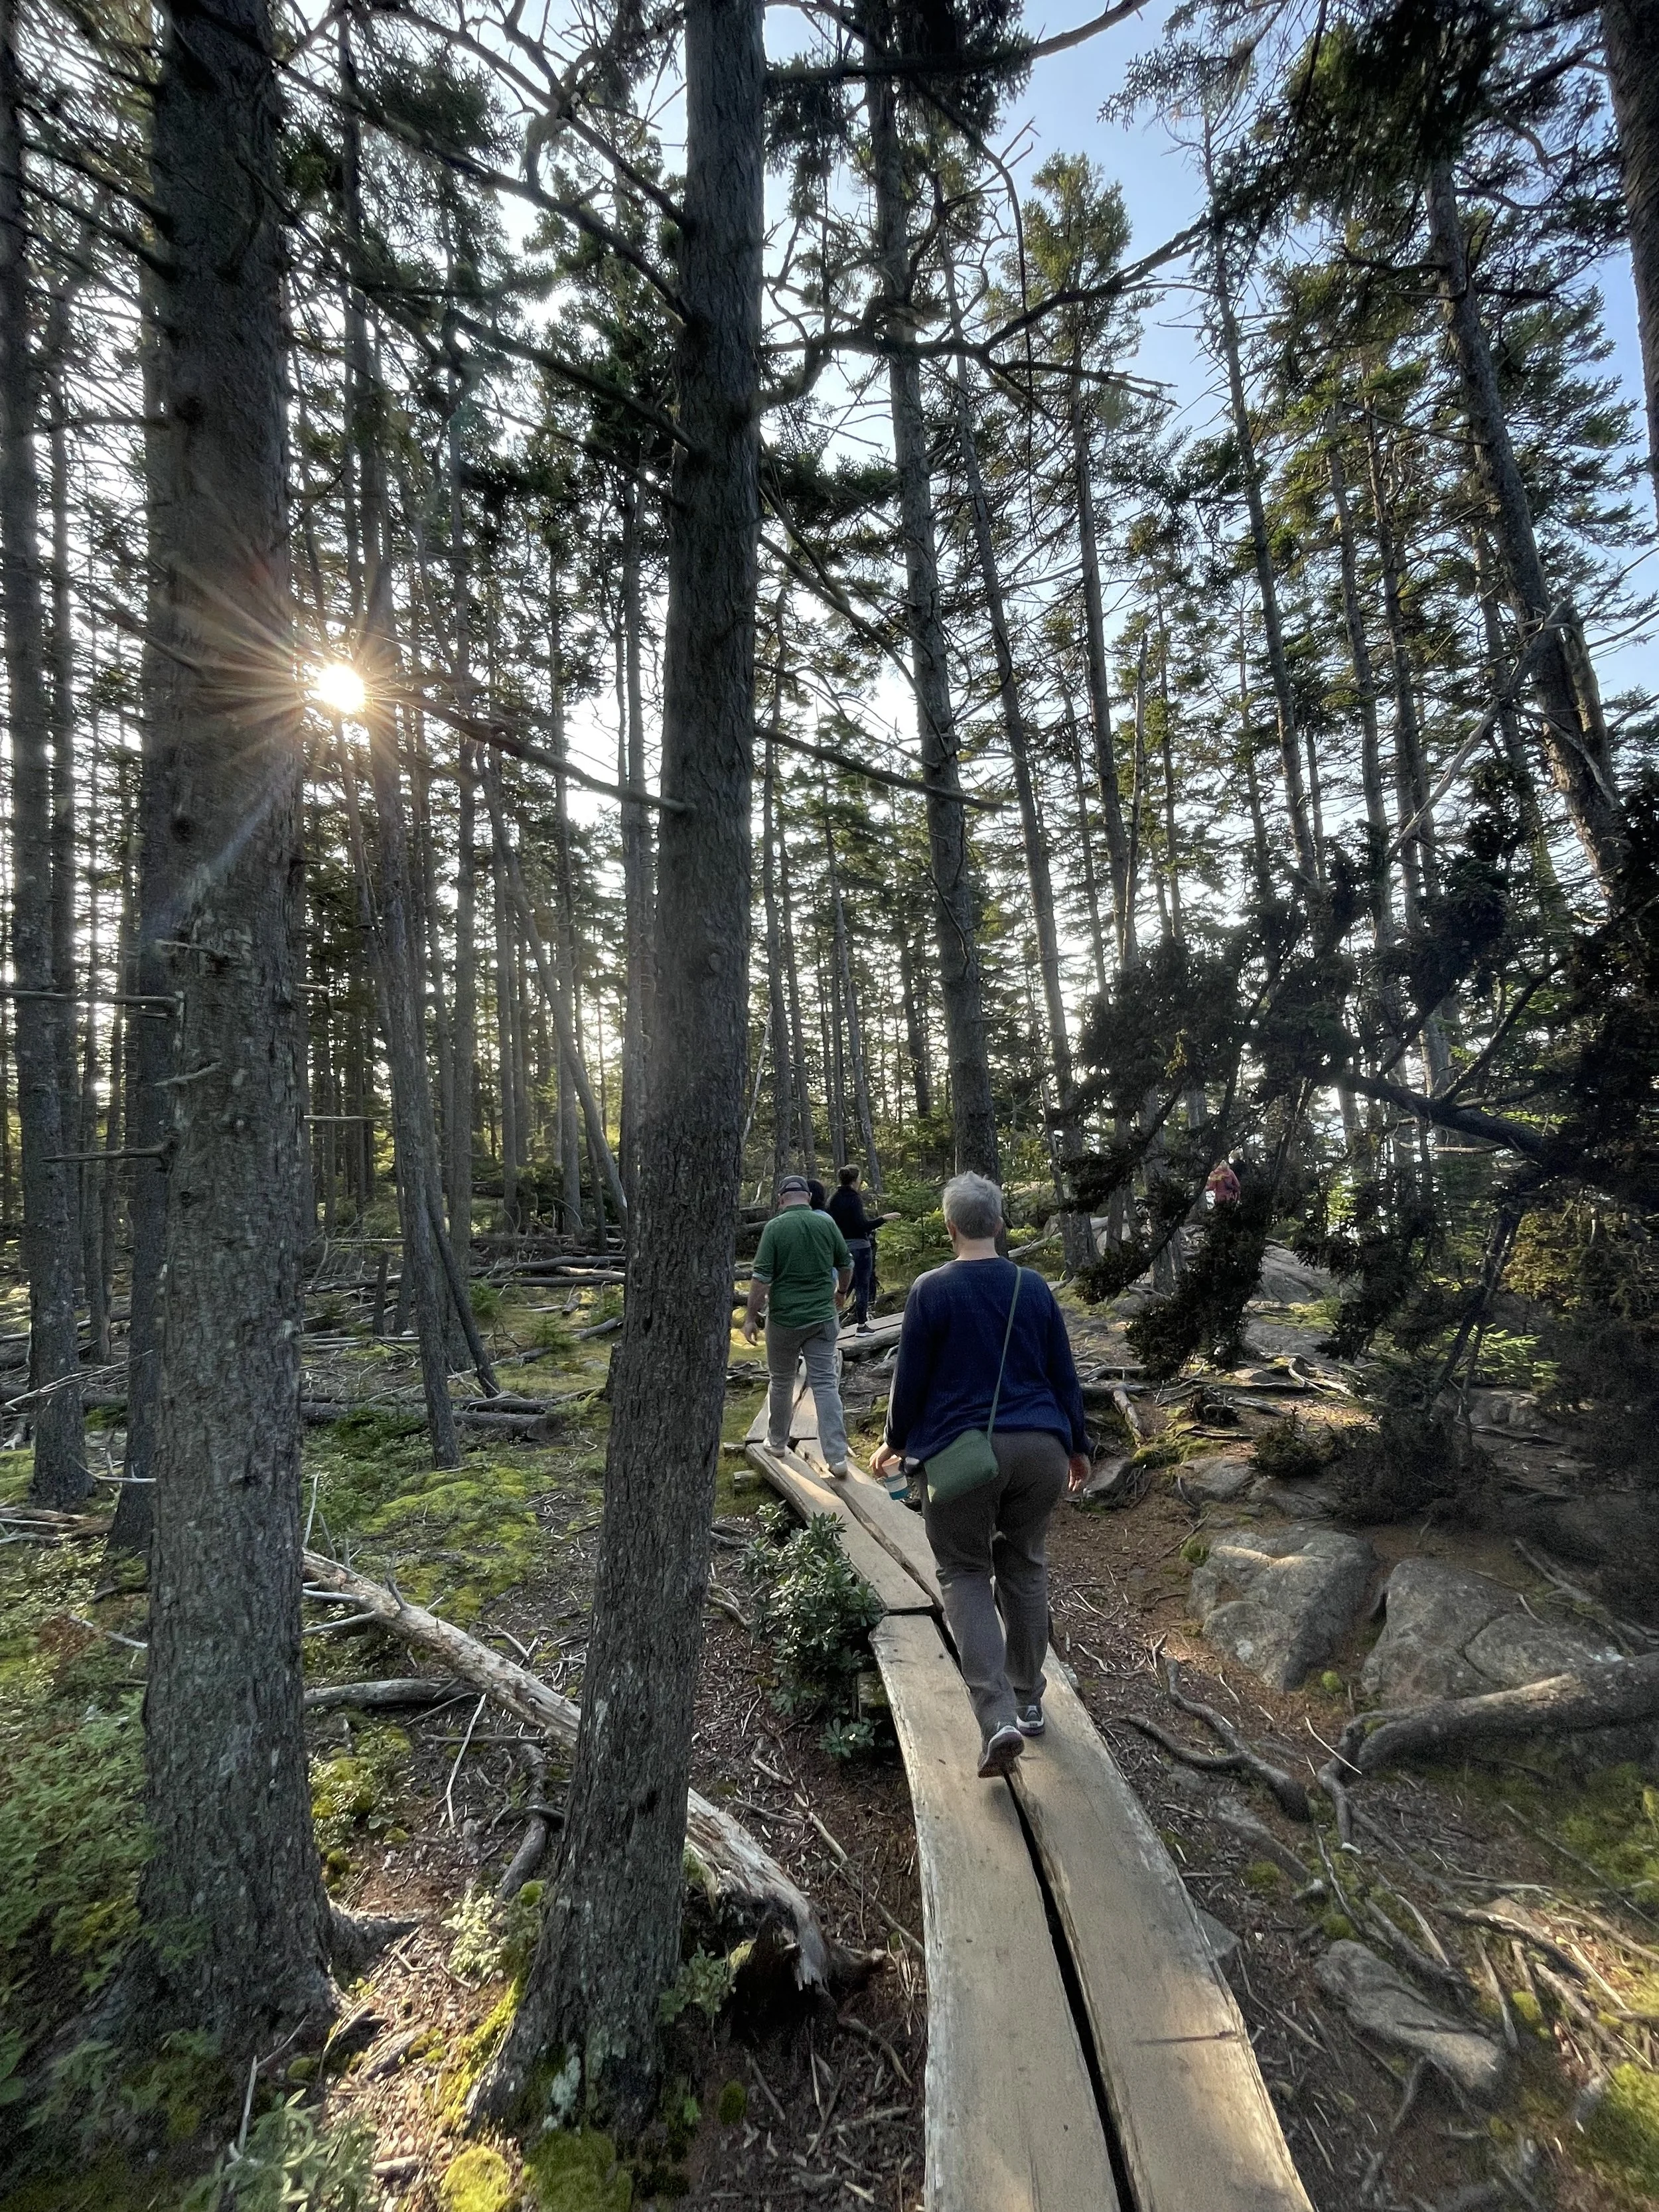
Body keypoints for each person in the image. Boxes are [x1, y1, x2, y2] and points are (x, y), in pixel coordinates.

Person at [871, 1171, 1090, 1779]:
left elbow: (910, 1380)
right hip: (1042, 1449)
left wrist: (893, 1443)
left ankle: (996, 1718)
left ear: (949, 1227)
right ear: (998, 1223)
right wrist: (1078, 1445)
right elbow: (1062, 1373)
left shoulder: (930, 1290)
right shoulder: (1033, 1286)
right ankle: (1029, 1701)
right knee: (1024, 1563)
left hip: (962, 1457)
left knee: (966, 1571)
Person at [742, 1174, 855, 1477]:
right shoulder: (826, 1223)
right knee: (826, 1384)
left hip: (784, 1320)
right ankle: (837, 1458)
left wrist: (751, 1318)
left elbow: (761, 1278)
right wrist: (841, 1293)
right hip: (822, 1317)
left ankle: (777, 1443)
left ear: (781, 1199)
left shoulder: (775, 1228)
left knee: (781, 1381)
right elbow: (846, 1263)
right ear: (807, 1196)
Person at [826, 1164, 889, 1329]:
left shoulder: (833, 1199)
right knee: (862, 1284)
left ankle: (828, 1320)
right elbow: (862, 1225)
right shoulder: (854, 1199)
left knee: (845, 1285)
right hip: (860, 1248)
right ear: (855, 1181)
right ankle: (862, 1325)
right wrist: (883, 1218)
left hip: (841, 1248)